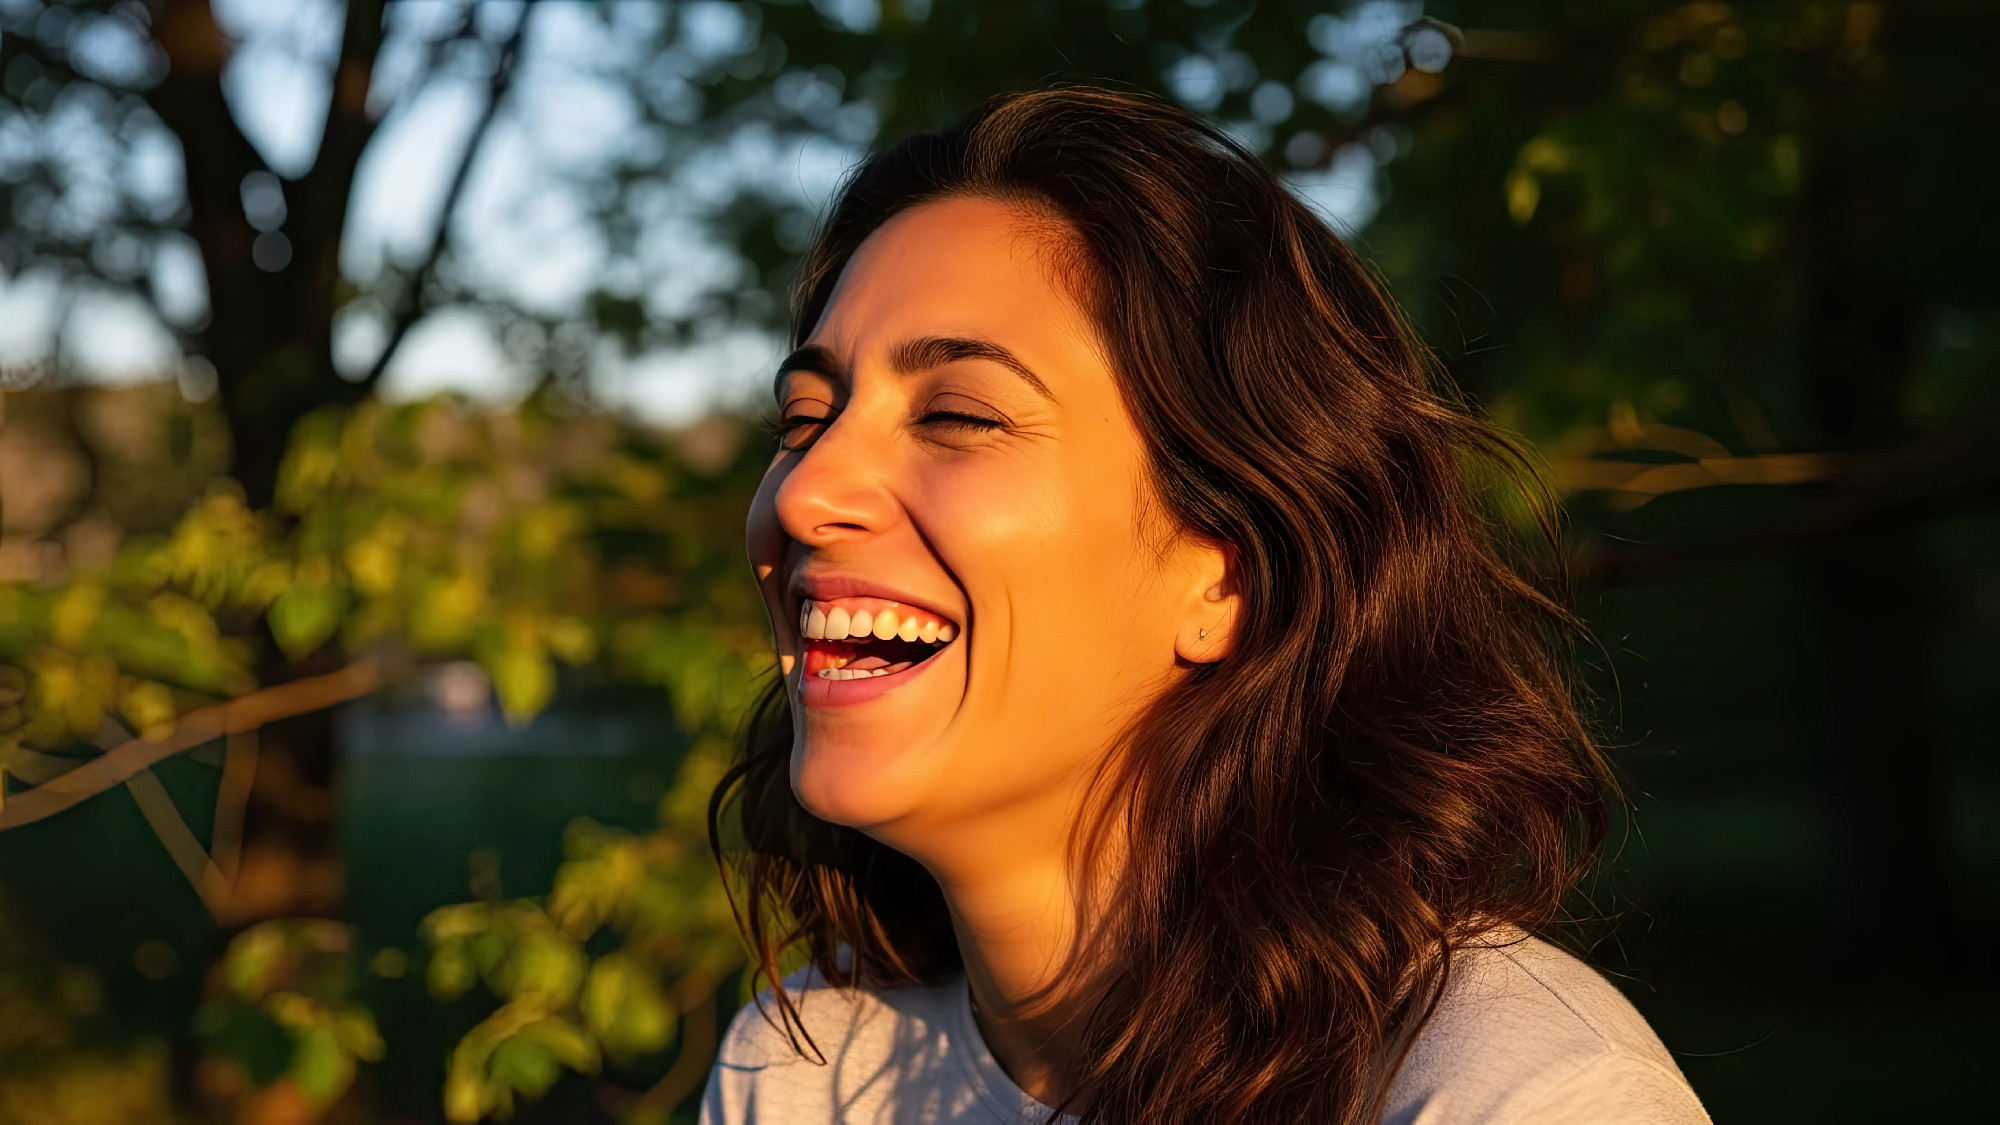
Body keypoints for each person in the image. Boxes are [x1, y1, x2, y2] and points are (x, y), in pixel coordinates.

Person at [702, 86, 1711, 1124]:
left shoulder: (1509, 1096)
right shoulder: (799, 1071)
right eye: (804, 417)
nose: (805, 492)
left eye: (957, 414)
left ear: (1225, 576)